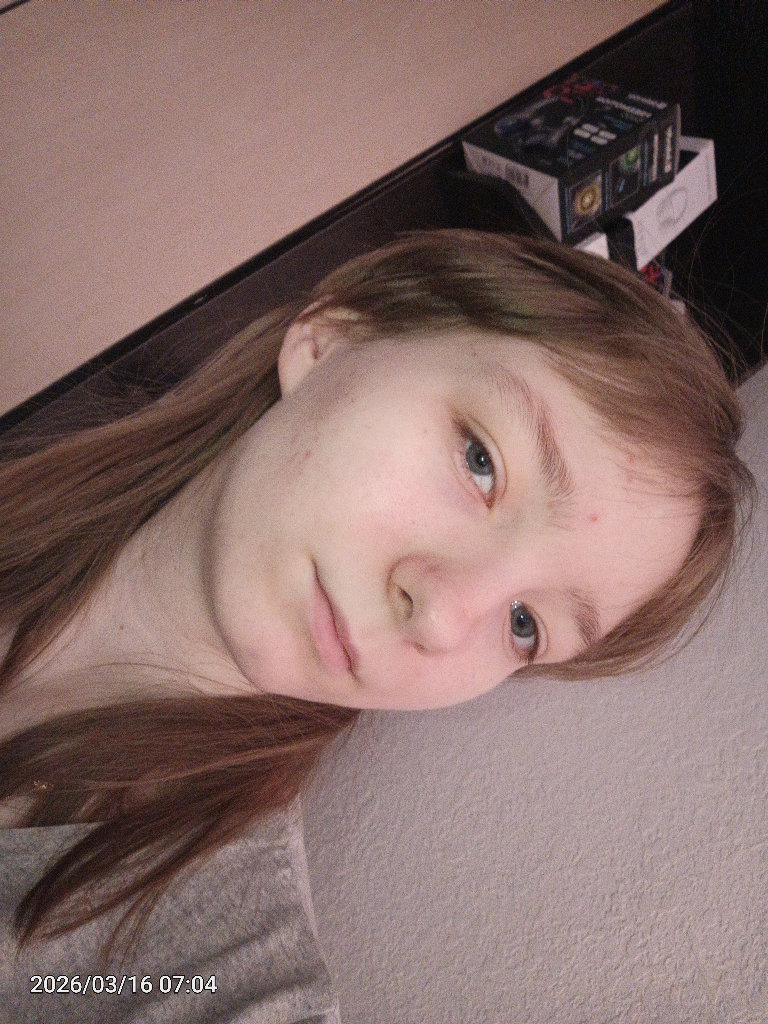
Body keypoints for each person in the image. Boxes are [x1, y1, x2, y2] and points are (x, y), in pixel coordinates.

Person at [0, 230, 753, 973]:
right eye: (481, 463)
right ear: (333, 337)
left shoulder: (196, 952)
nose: (443, 617)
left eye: (525, 625)